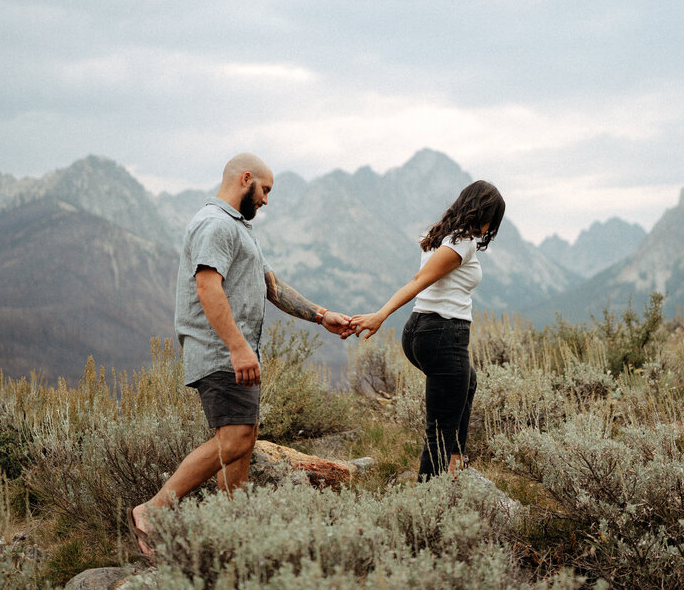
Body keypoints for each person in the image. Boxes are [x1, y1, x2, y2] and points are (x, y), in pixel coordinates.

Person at [131, 153, 354, 557]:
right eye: (265, 190)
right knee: (234, 439)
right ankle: (154, 509)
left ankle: (234, 534)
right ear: (245, 179)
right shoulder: (215, 224)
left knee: (243, 442)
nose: (267, 200)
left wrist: (322, 316)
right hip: (222, 352)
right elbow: (207, 288)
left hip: (235, 353)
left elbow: (271, 285)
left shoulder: (238, 228)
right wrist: (238, 348)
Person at [351, 180, 505, 480]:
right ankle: (427, 507)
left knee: (467, 383)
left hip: (422, 332)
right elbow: (419, 281)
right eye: (492, 221)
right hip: (444, 335)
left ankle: (456, 456)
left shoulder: (442, 236)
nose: (490, 229)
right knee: (439, 431)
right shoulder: (462, 244)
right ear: (485, 215)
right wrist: (380, 315)